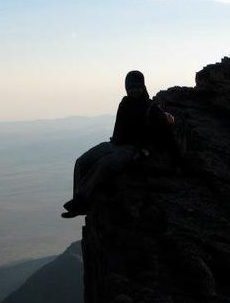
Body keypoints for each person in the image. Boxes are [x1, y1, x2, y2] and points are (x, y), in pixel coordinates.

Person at [61, 70, 177, 218]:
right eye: (131, 87)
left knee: (104, 164)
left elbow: (166, 130)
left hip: (132, 150)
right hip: (115, 144)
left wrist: (175, 160)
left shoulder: (151, 108)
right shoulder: (124, 103)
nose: (134, 90)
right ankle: (79, 204)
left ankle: (81, 200)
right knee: (82, 161)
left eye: (137, 87)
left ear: (143, 87)